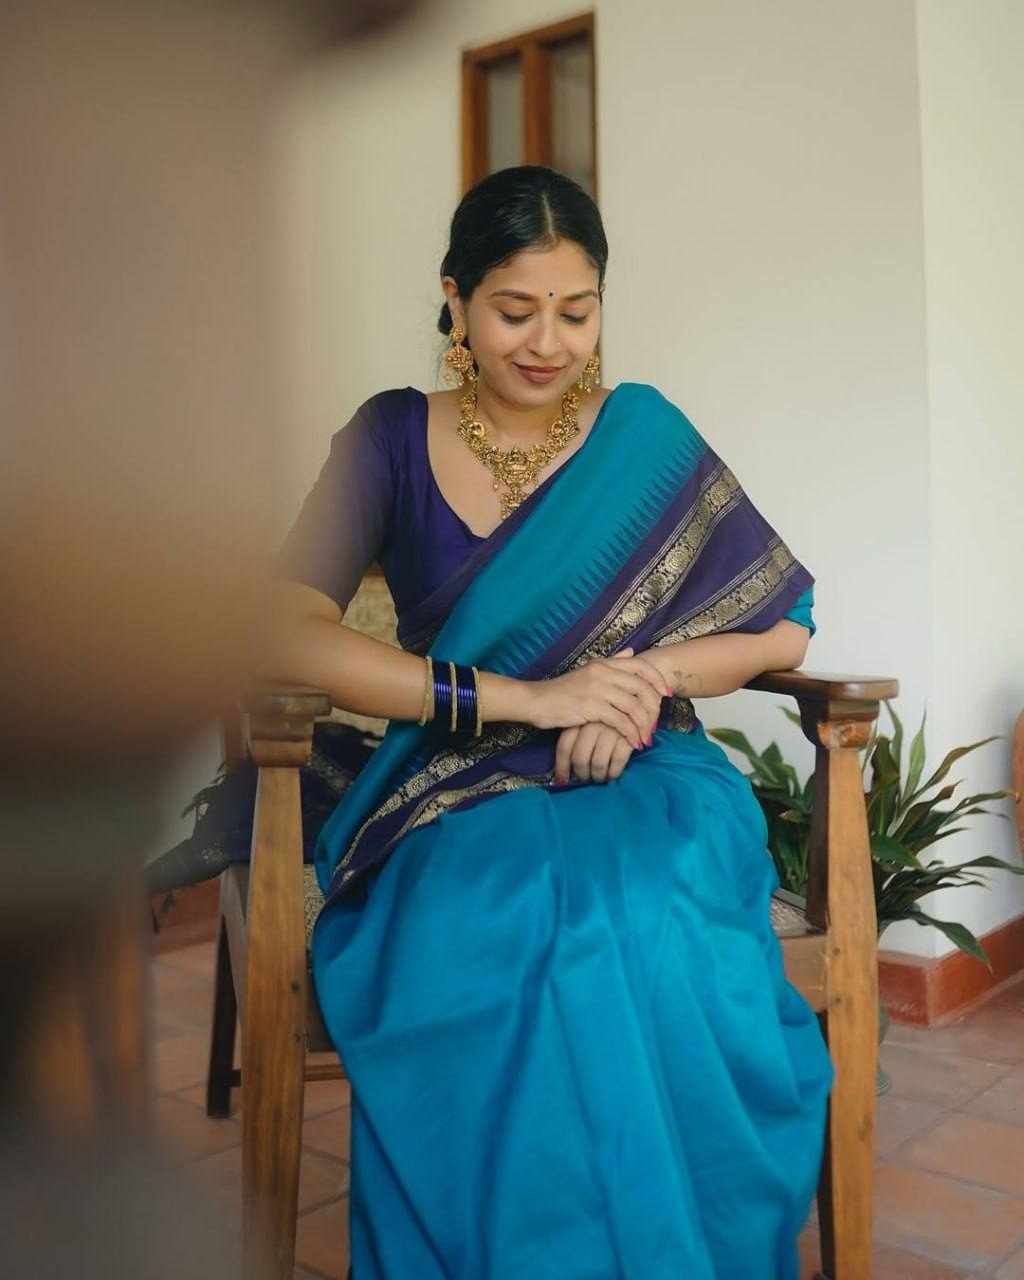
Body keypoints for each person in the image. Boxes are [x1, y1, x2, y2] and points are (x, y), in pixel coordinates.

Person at [268, 164, 833, 1280]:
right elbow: (283, 632)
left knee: (647, 908)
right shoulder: (389, 439)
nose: (547, 343)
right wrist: (527, 698)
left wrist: (635, 682)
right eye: (514, 310)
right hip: (451, 778)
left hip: (647, 767)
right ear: (455, 299)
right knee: (510, 915)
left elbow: (786, 628)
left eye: (577, 312)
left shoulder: (642, 434)